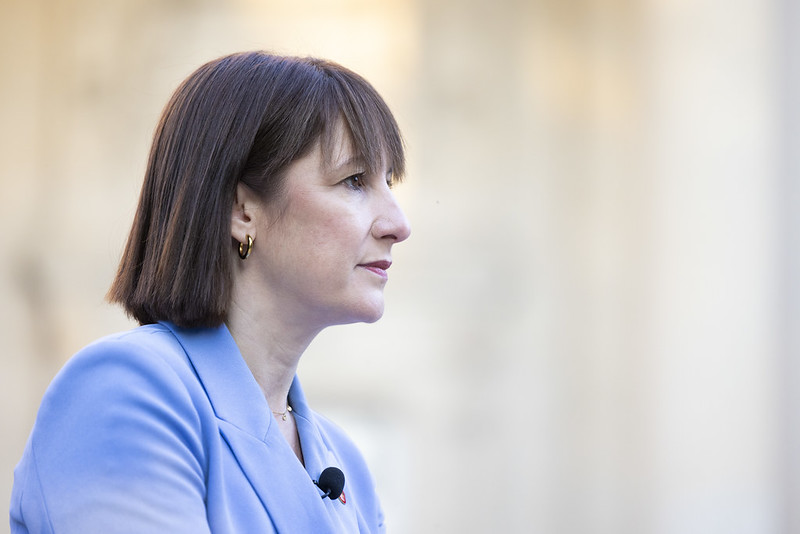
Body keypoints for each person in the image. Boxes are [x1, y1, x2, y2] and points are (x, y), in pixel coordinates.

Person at [9, 51, 411, 533]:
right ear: (243, 210)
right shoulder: (128, 392)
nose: (398, 224)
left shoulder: (348, 465)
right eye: (354, 181)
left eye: (389, 182)